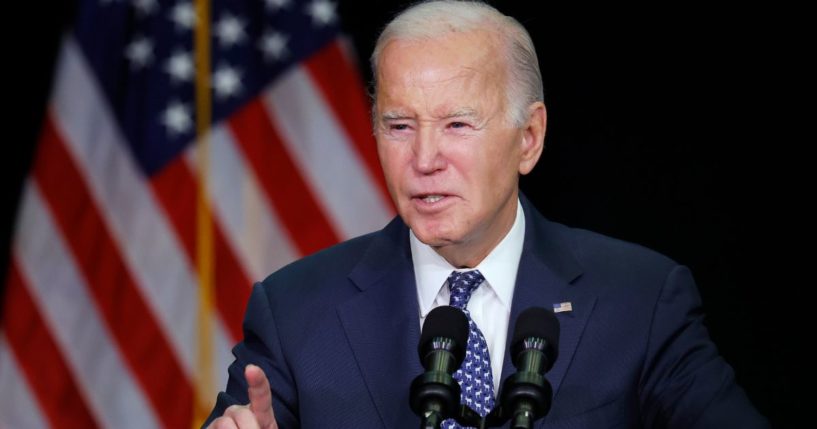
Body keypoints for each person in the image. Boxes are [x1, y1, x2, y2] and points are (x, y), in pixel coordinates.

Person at [204, 1, 769, 428]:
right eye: (400, 126)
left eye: (457, 125)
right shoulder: (296, 312)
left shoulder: (640, 301)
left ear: (529, 138)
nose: (423, 160)